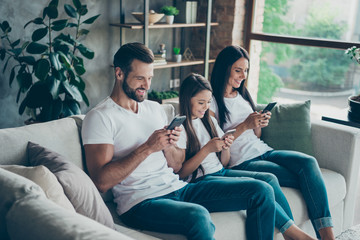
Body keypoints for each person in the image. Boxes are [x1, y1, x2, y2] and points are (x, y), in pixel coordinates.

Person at [81, 42, 276, 240]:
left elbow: (175, 165)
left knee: (261, 190)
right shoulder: (100, 117)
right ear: (119, 73)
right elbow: (101, 182)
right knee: (198, 216)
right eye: (140, 78)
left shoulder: (155, 109)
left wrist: (171, 145)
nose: (147, 86)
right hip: (140, 202)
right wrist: (148, 147)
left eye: (149, 78)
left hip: (178, 187)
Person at [209, 45, 335, 240]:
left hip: (264, 151)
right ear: (225, 68)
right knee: (277, 179)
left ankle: (328, 237)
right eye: (238, 70)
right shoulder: (211, 102)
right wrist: (245, 125)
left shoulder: (242, 94)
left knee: (308, 163)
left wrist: (258, 123)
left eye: (246, 70)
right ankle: (294, 236)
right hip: (243, 161)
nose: (243, 75)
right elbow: (218, 143)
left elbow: (256, 135)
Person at [178, 73, 316, 240]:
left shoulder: (210, 122)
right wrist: (206, 150)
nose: (206, 107)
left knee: (268, 180)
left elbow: (224, 162)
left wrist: (225, 147)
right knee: (260, 189)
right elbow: (181, 173)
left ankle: (290, 233)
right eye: (201, 103)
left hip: (220, 172)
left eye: (208, 102)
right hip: (201, 180)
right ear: (186, 99)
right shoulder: (180, 128)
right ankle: (295, 235)